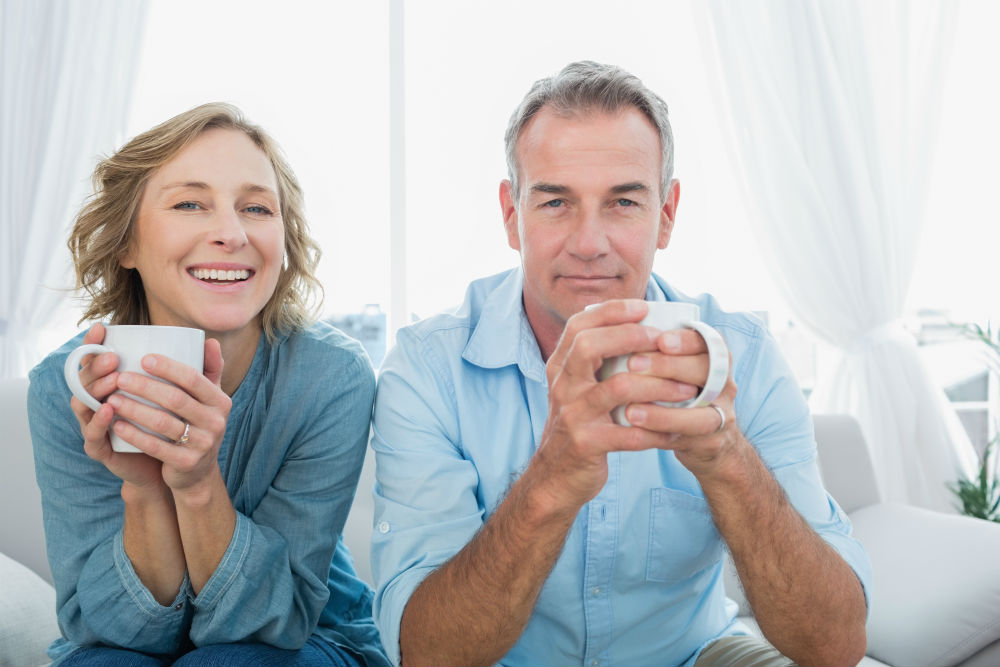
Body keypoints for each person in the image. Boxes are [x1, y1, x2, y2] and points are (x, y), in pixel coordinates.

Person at [369, 61, 872, 667]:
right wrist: (552, 478)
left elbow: (834, 645)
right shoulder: (429, 369)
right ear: (511, 214)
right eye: (555, 201)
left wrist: (726, 460)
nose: (589, 243)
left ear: (666, 214)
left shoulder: (744, 355)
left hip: (695, 656)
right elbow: (426, 654)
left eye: (624, 202)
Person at [28, 103, 389, 667]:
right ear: (126, 244)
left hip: (312, 636)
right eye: (190, 203)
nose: (231, 232)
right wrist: (146, 489)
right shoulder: (67, 386)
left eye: (257, 208)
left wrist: (197, 486)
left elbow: (278, 623)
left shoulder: (330, 378)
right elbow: (108, 630)